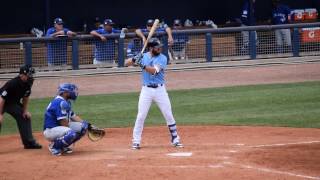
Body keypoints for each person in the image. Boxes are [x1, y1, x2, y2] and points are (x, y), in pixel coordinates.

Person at [125, 38, 183, 150]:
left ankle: (175, 139)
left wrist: (141, 65)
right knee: (141, 116)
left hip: (160, 90)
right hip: (146, 90)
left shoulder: (163, 58)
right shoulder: (143, 56)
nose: (160, 48)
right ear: (151, 48)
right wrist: (134, 58)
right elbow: (125, 63)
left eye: (160, 47)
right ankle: (136, 141)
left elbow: (154, 71)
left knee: (168, 114)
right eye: (157, 47)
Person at [0, 65, 42, 149]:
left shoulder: (27, 84)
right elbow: (2, 98)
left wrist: (24, 111)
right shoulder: (12, 83)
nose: (31, 77)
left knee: (25, 117)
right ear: (21, 75)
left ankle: (29, 143)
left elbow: (25, 98)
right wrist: (0, 114)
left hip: (12, 103)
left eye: (31, 75)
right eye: (29, 75)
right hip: (1, 101)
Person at [43, 83, 89, 156]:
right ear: (64, 93)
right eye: (71, 91)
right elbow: (63, 122)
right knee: (71, 133)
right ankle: (54, 146)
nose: (73, 92)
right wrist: (71, 135)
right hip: (51, 130)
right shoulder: (59, 102)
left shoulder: (66, 102)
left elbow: (73, 116)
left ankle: (62, 146)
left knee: (83, 127)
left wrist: (88, 125)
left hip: (59, 128)